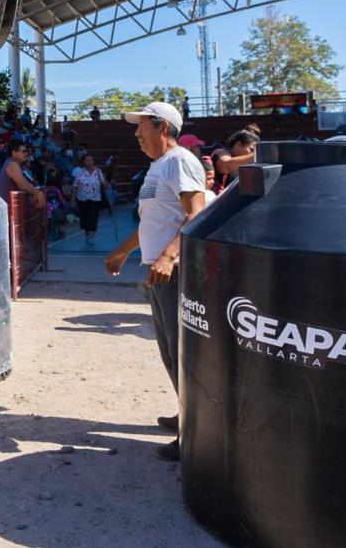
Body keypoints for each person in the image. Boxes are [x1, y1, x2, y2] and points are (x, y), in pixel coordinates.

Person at [103, 101, 206, 462]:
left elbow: (195, 213)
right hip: (158, 271)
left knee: (181, 352)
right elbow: (152, 223)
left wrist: (168, 255)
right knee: (170, 351)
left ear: (162, 127)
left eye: (141, 125)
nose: (136, 133)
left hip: (172, 272)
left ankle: (195, 434)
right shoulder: (159, 167)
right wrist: (121, 252)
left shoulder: (178, 161)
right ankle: (186, 417)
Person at [0, 140, 46, 209]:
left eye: (27, 152)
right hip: (8, 211)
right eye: (24, 151)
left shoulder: (12, 163)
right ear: (14, 153)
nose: (26, 154)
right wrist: (37, 192)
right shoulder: (12, 164)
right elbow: (23, 185)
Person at [70, 154, 107, 245]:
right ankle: (87, 234)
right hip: (82, 199)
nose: (90, 162)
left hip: (95, 199)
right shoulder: (80, 172)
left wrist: (106, 184)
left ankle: (91, 236)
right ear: (84, 161)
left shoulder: (98, 171)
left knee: (93, 217)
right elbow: (75, 186)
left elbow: (104, 183)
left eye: (91, 160)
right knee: (85, 218)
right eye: (87, 160)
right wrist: (73, 199)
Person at [212, 127, 259, 192]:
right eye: (251, 149)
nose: (253, 153)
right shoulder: (220, 152)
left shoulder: (246, 163)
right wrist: (259, 154)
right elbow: (226, 166)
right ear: (239, 144)